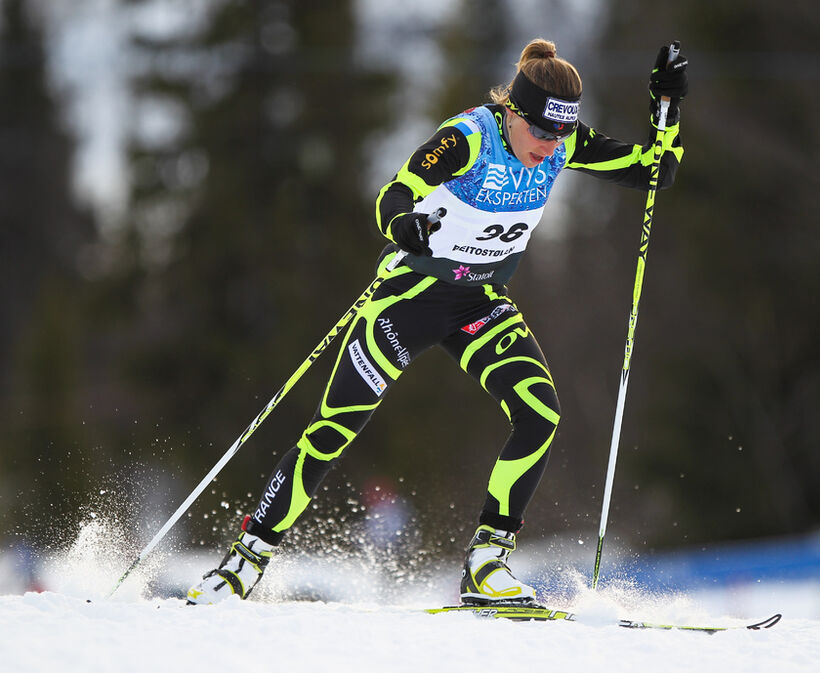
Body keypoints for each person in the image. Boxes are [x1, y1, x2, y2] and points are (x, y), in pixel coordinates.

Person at [187, 38, 688, 606]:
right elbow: (393, 194)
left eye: (559, 136)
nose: (550, 149)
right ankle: (243, 563)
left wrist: (666, 110)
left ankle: (486, 562)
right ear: (513, 113)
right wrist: (403, 224)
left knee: (539, 414)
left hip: (478, 301)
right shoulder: (468, 137)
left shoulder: (563, 141)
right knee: (334, 429)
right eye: (541, 133)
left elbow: (657, 172)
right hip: (410, 297)